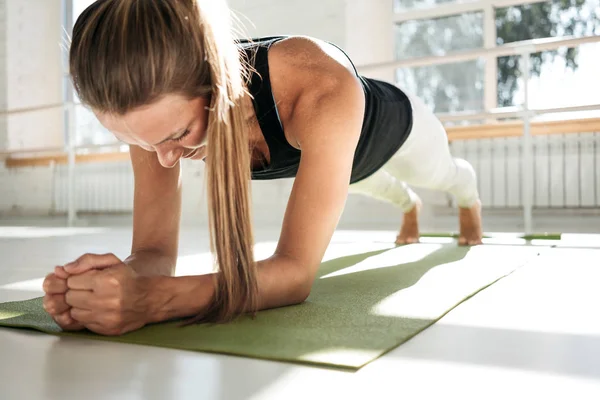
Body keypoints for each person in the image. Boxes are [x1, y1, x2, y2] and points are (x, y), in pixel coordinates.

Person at [42, 0, 482, 336]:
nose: (162, 158)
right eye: (136, 142)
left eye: (177, 136)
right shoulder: (153, 118)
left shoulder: (319, 85)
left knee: (442, 175)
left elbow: (294, 273)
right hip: (350, 165)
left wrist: (155, 301)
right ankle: (408, 207)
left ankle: (470, 195)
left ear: (215, 80)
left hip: (398, 128)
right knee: (377, 188)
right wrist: (110, 287)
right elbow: (156, 253)